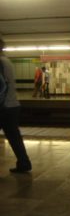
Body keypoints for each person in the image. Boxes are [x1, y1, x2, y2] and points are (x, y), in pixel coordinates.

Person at [0, 38, 32, 173]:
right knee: (14, 137)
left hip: (3, 106)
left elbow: (2, 86)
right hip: (12, 105)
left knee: (14, 136)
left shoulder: (0, 62)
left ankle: (24, 163)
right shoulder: (6, 61)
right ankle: (24, 163)